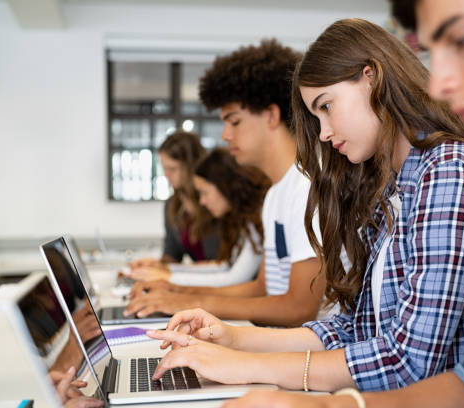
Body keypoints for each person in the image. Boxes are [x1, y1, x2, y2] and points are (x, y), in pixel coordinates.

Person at [224, 0, 464, 406]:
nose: (439, 81)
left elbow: (411, 360)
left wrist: (255, 366)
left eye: (460, 39)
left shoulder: (454, 167)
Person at [144, 18, 464, 394]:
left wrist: (244, 365)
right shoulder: (393, 185)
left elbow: (408, 362)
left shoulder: (450, 172)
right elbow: (356, 328)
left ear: (371, 79)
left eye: (326, 106)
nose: (323, 132)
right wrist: (232, 339)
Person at [124, 39, 327, 327]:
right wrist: (178, 292)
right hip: (278, 342)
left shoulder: (307, 187)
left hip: (305, 356)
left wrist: (186, 302)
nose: (225, 136)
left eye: (234, 121)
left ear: (271, 115)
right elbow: (261, 289)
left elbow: (298, 308)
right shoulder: (276, 195)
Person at [126, 148, 270, 292]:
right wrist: (167, 269)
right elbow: (225, 266)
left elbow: (235, 277)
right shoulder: (244, 218)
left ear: (224, 186)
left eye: (204, 193)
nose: (202, 201)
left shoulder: (258, 218)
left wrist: (168, 277)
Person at [128, 130, 218, 275]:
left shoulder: (215, 202)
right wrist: (155, 265)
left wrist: (175, 270)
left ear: (192, 166)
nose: (166, 174)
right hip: (197, 282)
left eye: (172, 168)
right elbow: (172, 255)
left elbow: (224, 265)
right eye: (164, 168)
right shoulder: (172, 205)